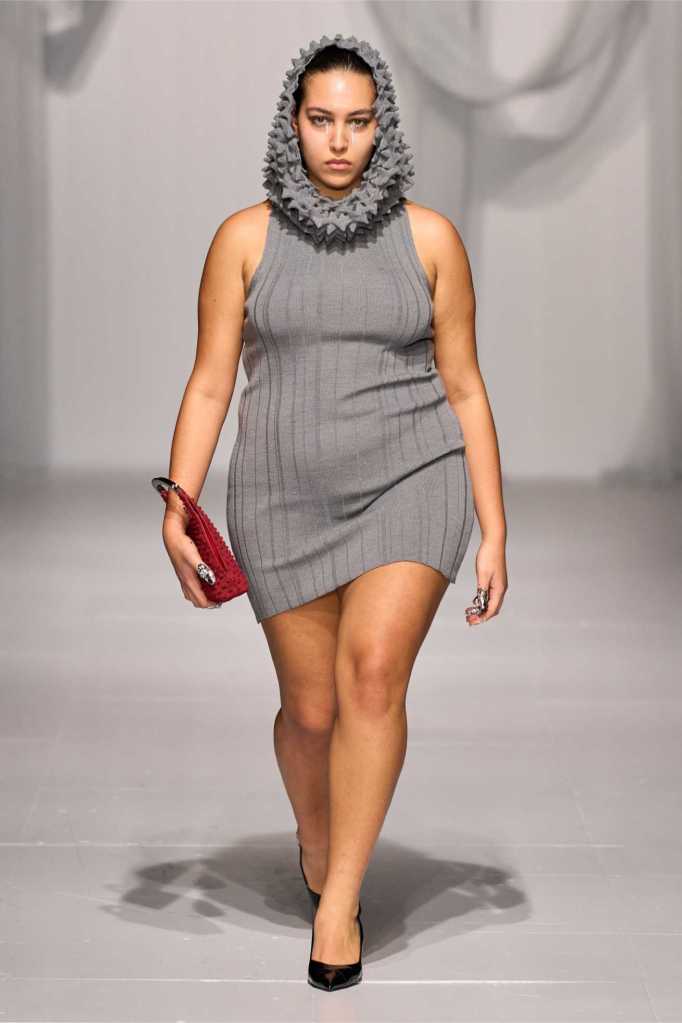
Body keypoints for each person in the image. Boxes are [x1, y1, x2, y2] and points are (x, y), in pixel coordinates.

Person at [159, 33, 508, 991]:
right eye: (322, 119)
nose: (340, 141)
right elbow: (209, 383)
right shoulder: (244, 240)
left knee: (372, 679)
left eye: (358, 121)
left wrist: (494, 527)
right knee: (310, 714)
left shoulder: (430, 240)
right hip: (282, 497)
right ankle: (318, 838)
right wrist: (179, 501)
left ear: (382, 125)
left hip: (412, 480)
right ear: (294, 122)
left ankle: (340, 899)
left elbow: (466, 387)